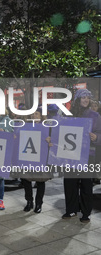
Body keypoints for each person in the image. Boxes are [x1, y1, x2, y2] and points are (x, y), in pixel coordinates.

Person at [62, 89, 101, 223]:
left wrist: (96, 137)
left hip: (87, 154)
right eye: (83, 97)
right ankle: (71, 209)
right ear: (77, 99)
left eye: (88, 98)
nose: (85, 100)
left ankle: (86, 212)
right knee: (69, 183)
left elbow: (100, 135)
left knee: (86, 184)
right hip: (70, 154)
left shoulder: (95, 115)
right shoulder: (69, 115)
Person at [21, 107, 52, 213]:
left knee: (40, 181)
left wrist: (49, 140)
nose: (34, 116)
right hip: (28, 158)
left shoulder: (47, 127)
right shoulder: (26, 126)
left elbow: (53, 140)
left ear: (41, 115)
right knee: (26, 180)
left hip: (40, 158)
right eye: (33, 114)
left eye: (37, 114)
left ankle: (39, 203)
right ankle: (29, 201)